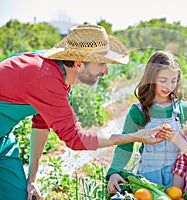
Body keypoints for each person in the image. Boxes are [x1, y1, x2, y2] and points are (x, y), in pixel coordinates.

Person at [0, 24, 164, 200]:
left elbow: (41, 123)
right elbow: (76, 140)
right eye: (101, 63)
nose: (106, 71)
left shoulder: (60, 75)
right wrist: (136, 136)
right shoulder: (46, 76)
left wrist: (31, 179)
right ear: (79, 63)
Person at [106, 50, 187, 194]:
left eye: (174, 80)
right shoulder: (138, 111)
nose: (169, 86)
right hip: (149, 176)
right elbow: (125, 145)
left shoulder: (182, 108)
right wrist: (114, 172)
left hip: (178, 176)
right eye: (163, 80)